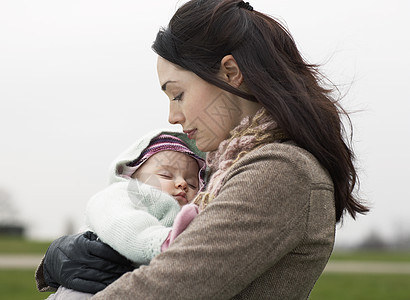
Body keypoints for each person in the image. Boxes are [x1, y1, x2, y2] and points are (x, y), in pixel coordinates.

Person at [36, 0, 369, 299]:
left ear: (230, 72)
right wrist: (61, 261)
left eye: (177, 94)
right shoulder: (225, 169)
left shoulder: (280, 170)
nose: (173, 116)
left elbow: (164, 288)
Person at [39, 130, 206, 299]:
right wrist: (161, 241)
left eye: (192, 184)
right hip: (85, 290)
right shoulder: (123, 194)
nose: (182, 183)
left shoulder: (191, 215)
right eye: (166, 175)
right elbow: (122, 222)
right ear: (132, 178)